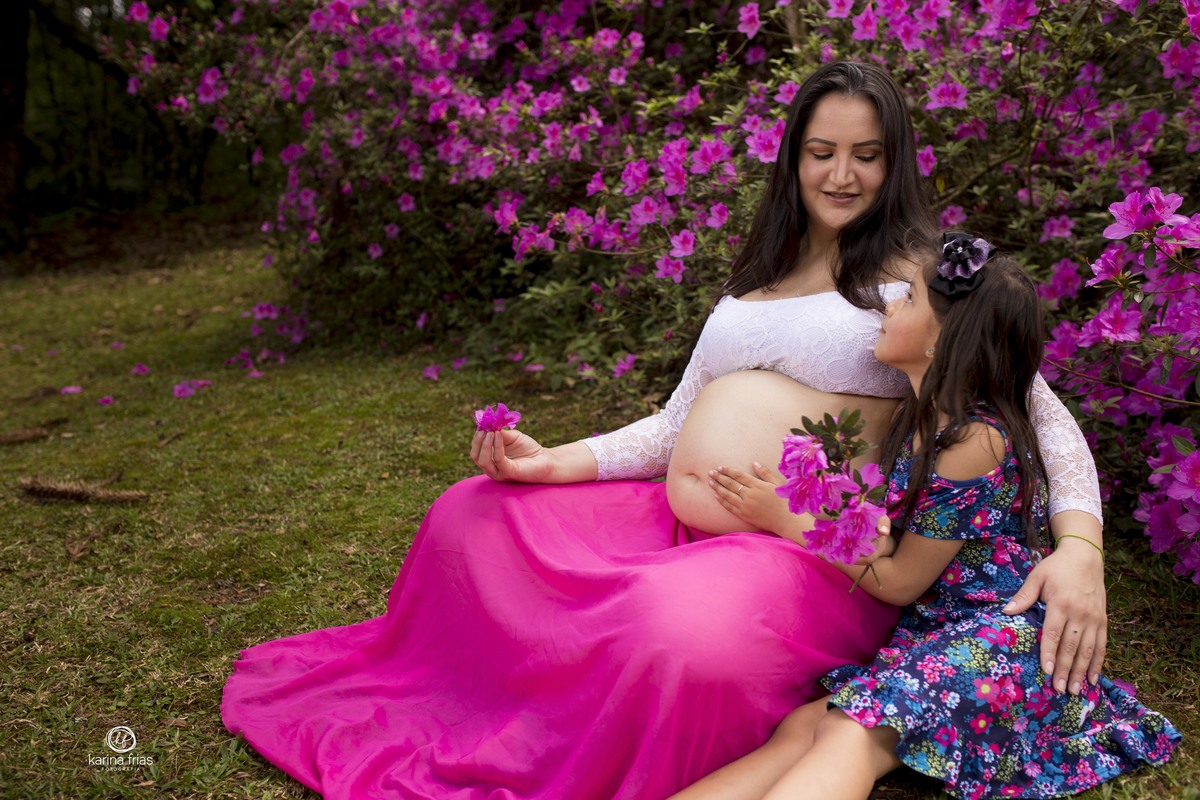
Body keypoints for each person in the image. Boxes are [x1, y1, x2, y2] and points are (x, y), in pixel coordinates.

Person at [220, 62, 1108, 799]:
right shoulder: (755, 278)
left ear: (897, 162)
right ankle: (477, 704)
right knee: (471, 514)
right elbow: (678, 422)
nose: (843, 175)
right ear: (792, 159)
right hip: (685, 518)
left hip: (809, 550)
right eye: (823, 152)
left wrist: (1079, 548)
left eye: (867, 156)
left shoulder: (918, 281)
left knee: (665, 629)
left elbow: (1035, 411)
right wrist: (553, 463)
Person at [673, 235, 1180, 800]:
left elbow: (899, 580)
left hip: (1004, 639)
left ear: (940, 342)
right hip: (941, 632)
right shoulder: (926, 419)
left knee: (850, 735)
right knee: (801, 728)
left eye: (908, 299)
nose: (889, 307)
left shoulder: (976, 439)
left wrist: (787, 517)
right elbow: (894, 547)